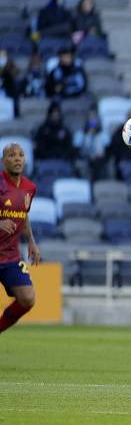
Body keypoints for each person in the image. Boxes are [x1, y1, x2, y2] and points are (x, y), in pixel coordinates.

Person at [0, 143, 40, 335]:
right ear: (3, 161)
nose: (17, 158)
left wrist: (31, 240)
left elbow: (23, 214)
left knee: (27, 298)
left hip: (10, 257)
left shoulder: (29, 188)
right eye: (12, 155)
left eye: (21, 155)